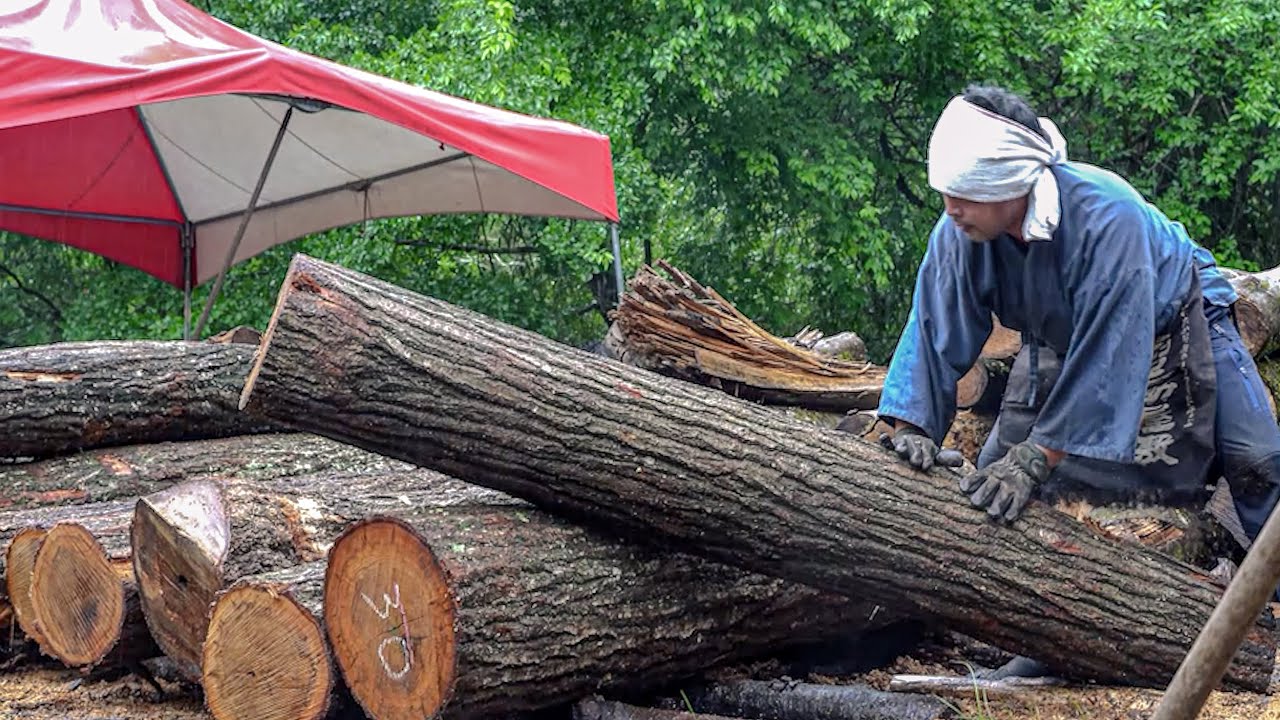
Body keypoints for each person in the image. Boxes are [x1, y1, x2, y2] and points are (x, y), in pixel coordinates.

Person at [876, 85, 1280, 674]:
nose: (949, 207)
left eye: (961, 192)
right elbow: (933, 328)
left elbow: (1110, 354)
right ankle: (1039, 645)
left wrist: (1037, 454)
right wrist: (912, 425)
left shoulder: (1105, 215)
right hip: (1064, 343)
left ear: (1007, 183)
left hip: (1179, 314)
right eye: (945, 191)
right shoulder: (959, 235)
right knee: (990, 489)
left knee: (1260, 461)